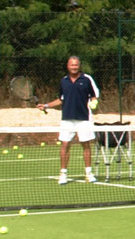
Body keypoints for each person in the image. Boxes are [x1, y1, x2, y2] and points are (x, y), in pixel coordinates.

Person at [38, 56, 100, 185]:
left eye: (76, 65)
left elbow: (94, 97)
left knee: (86, 145)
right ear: (68, 66)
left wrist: (94, 103)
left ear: (79, 66)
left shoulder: (87, 79)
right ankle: (63, 174)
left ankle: (89, 173)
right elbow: (61, 99)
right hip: (67, 119)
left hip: (84, 118)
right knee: (65, 145)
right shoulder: (64, 81)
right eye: (72, 65)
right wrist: (47, 105)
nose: (74, 67)